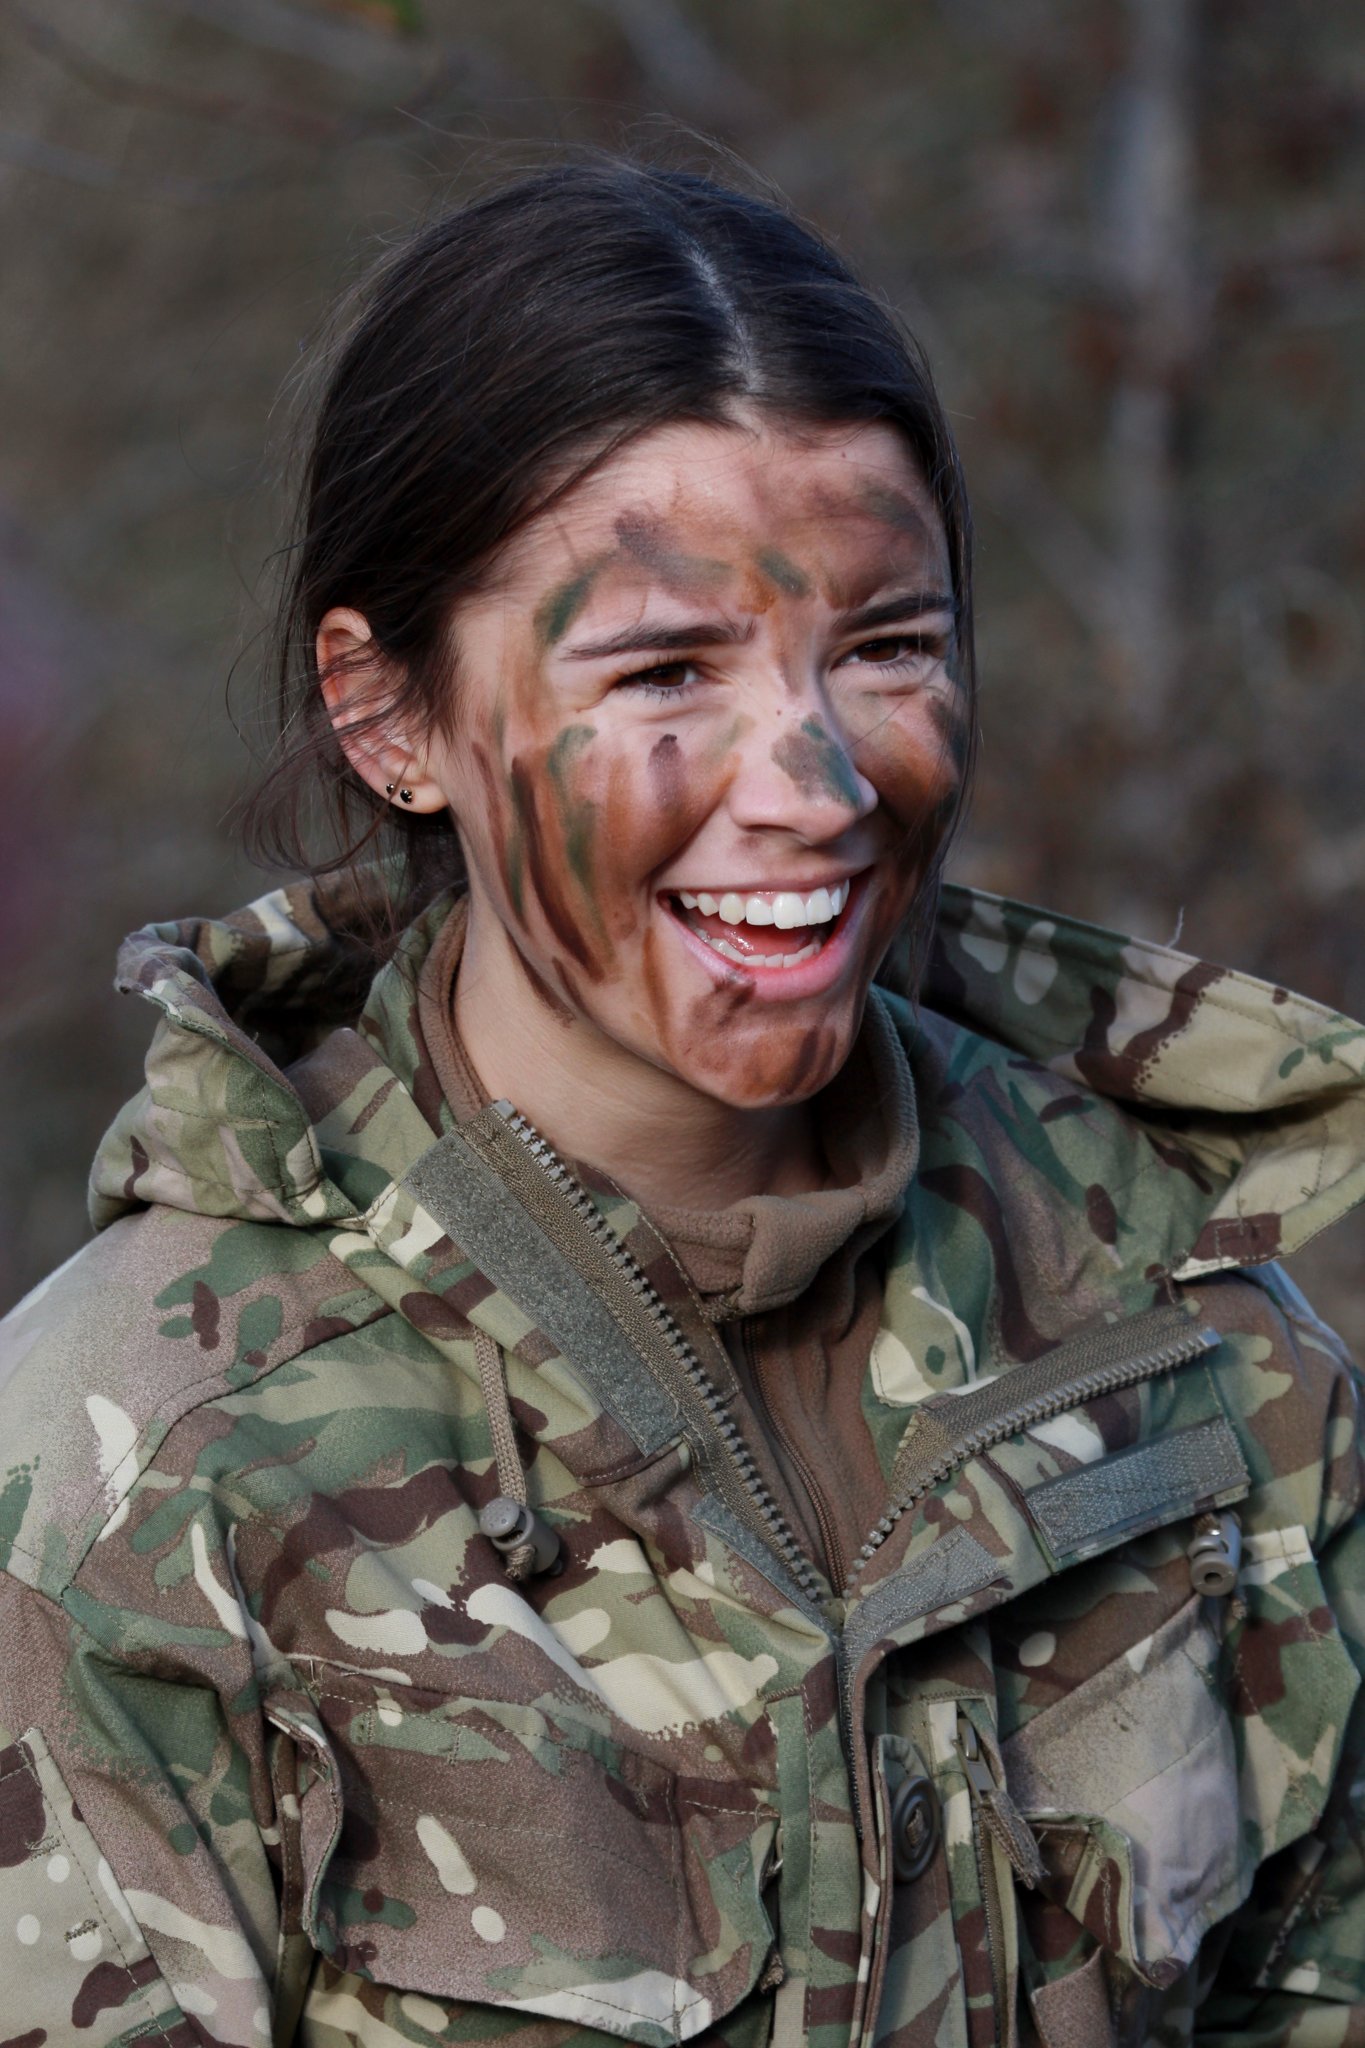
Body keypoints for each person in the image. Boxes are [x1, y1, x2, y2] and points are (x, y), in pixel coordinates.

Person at [1, 158, 1362, 2048]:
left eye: (885, 644)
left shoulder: (1197, 1342)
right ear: (390, 717)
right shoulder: (149, 1462)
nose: (811, 781)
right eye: (666, 667)